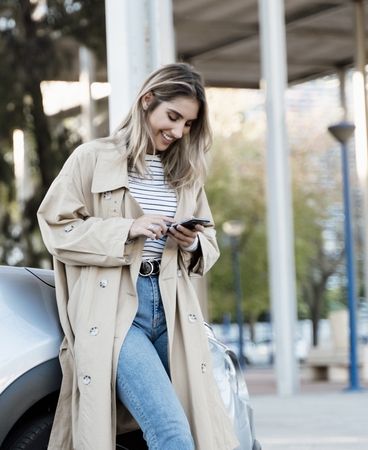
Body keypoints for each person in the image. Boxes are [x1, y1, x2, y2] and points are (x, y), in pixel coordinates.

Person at [37, 63, 239, 450]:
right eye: (173, 116)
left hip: (173, 309)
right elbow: (56, 228)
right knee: (172, 435)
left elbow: (207, 242)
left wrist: (190, 242)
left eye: (188, 124)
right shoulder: (91, 157)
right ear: (147, 102)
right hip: (115, 311)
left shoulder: (185, 173)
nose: (178, 131)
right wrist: (126, 229)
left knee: (204, 431)